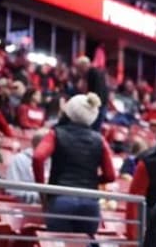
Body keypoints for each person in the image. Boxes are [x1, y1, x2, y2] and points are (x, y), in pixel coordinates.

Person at [32, 93, 116, 234]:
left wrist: (43, 190)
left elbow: (38, 158)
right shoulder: (99, 140)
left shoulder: (55, 133)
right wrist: (93, 181)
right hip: (90, 204)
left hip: (61, 198)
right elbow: (110, 175)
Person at [5, 129, 49, 203]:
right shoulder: (19, 159)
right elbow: (12, 191)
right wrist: (42, 197)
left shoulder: (54, 161)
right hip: (25, 207)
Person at [74, 57, 109, 130]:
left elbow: (96, 93)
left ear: (84, 65)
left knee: (93, 130)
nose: (79, 71)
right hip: (99, 105)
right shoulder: (93, 73)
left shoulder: (93, 74)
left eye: (79, 68)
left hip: (98, 107)